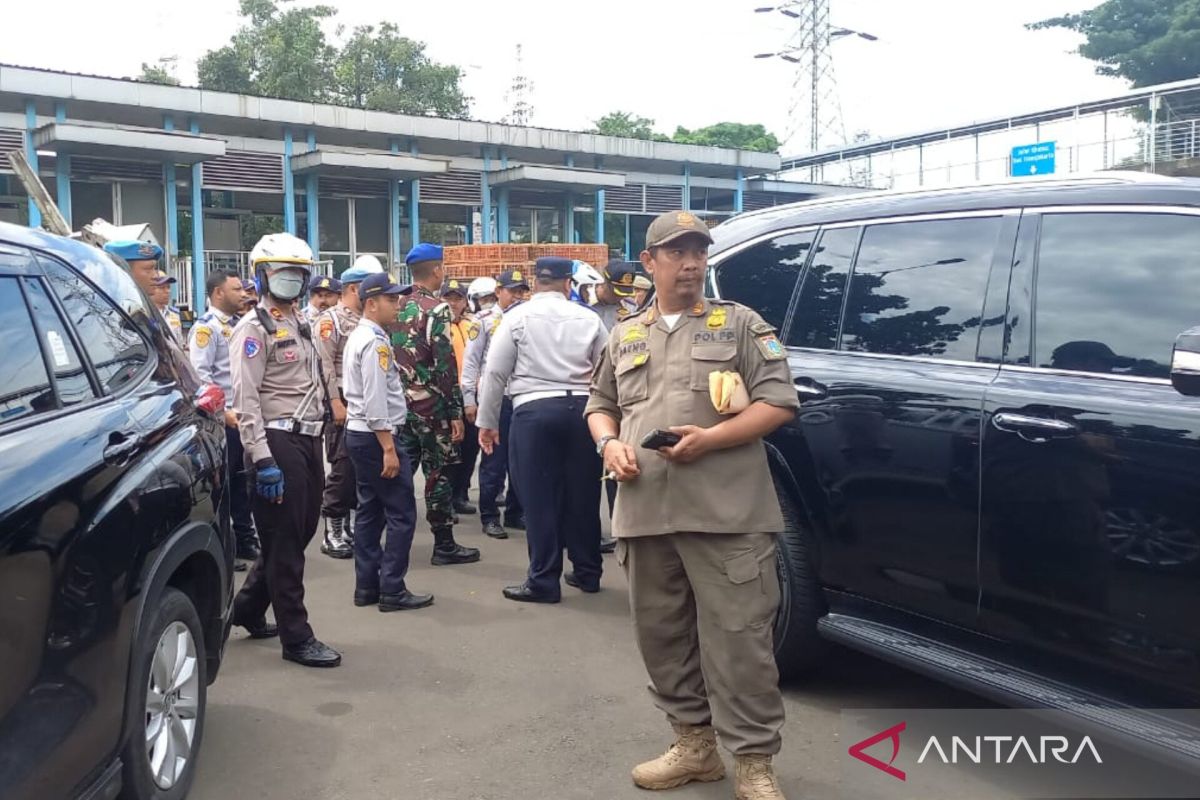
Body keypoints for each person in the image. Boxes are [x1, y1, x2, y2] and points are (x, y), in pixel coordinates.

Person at [585, 211, 799, 799]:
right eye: (676, 253)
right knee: (663, 638)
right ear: (649, 263)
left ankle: (754, 761)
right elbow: (599, 404)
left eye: (698, 252)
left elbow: (778, 404)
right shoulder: (625, 332)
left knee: (741, 640)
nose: (691, 263)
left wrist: (710, 439)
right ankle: (695, 746)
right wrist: (610, 444)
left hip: (727, 514)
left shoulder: (739, 325)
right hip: (645, 511)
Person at [230, 232, 341, 669]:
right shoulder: (252, 330)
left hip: (309, 439)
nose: (291, 280)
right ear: (262, 276)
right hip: (276, 441)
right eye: (282, 272)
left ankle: (247, 608)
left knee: (296, 533)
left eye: (298, 273)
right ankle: (297, 637)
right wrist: (261, 458)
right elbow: (245, 399)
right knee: (286, 541)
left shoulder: (301, 323)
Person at [478, 257, 608, 603]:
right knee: (583, 495)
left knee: (539, 499)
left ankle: (544, 580)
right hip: (583, 410)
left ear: (535, 283)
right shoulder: (588, 317)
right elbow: (607, 369)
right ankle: (588, 571)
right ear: (569, 284)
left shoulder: (516, 318)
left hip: (533, 410)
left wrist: (488, 423)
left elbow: (494, 374)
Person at [342, 272, 434, 612]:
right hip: (375, 436)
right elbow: (375, 398)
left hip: (361, 434)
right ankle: (392, 588)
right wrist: (389, 448)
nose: (398, 305)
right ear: (371, 303)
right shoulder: (375, 342)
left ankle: (367, 585)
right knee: (401, 513)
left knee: (369, 510)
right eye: (392, 300)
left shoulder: (362, 336)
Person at [388, 243, 479, 566]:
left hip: (402, 403)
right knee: (438, 473)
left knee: (402, 470)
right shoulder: (437, 309)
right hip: (432, 406)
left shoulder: (398, 305)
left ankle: (392, 534)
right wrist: (455, 411)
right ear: (437, 270)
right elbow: (445, 365)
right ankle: (444, 544)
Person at [189, 268, 259, 568]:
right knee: (224, 487)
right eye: (236, 289)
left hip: (242, 416)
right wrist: (222, 415)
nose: (243, 294)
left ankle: (244, 539)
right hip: (223, 421)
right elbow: (200, 378)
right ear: (218, 292)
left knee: (243, 483)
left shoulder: (238, 325)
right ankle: (224, 547)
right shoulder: (207, 329)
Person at [315, 257, 380, 559]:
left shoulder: (365, 320)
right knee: (342, 467)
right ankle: (333, 530)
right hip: (341, 397)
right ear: (355, 288)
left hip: (365, 399)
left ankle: (350, 526)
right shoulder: (332, 320)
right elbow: (324, 365)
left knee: (360, 467)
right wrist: (334, 402)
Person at [462, 268, 527, 539]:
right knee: (493, 460)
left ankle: (515, 511)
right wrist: (468, 398)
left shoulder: (529, 317)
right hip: (494, 398)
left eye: (520, 291)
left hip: (521, 396)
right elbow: (471, 360)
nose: (516, 296)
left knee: (520, 461)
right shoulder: (484, 320)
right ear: (498, 292)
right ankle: (489, 515)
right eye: (511, 290)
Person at [443, 277, 481, 516]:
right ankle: (445, 498)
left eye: (457, 298)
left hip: (473, 392)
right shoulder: (437, 324)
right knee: (449, 448)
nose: (453, 303)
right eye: (448, 298)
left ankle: (461, 493)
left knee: (470, 447)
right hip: (448, 392)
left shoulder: (472, 324)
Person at [149, 269, 185, 347]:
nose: (167, 291)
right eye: (162, 288)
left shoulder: (175, 314)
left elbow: (180, 342)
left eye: (168, 287)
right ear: (151, 289)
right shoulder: (145, 314)